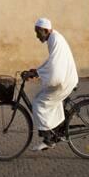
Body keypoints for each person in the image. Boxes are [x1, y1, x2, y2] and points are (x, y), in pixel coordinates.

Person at [25, 17, 79, 151]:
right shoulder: (54, 38)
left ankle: (49, 139)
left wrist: (37, 73)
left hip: (65, 81)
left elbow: (55, 65)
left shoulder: (55, 39)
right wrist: (37, 71)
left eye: (38, 32)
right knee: (50, 101)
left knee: (38, 102)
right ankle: (57, 131)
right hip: (67, 77)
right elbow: (52, 62)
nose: (37, 36)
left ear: (46, 30)